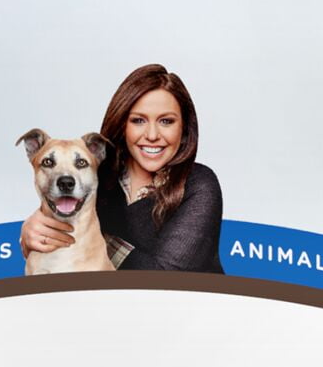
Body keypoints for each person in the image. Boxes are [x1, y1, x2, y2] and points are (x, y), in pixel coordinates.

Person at [20, 64, 222, 273]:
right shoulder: (94, 175)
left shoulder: (200, 185)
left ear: (184, 128)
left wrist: (90, 239)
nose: (152, 135)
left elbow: (165, 275)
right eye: (138, 120)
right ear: (122, 123)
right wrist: (33, 230)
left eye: (166, 121)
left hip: (185, 295)